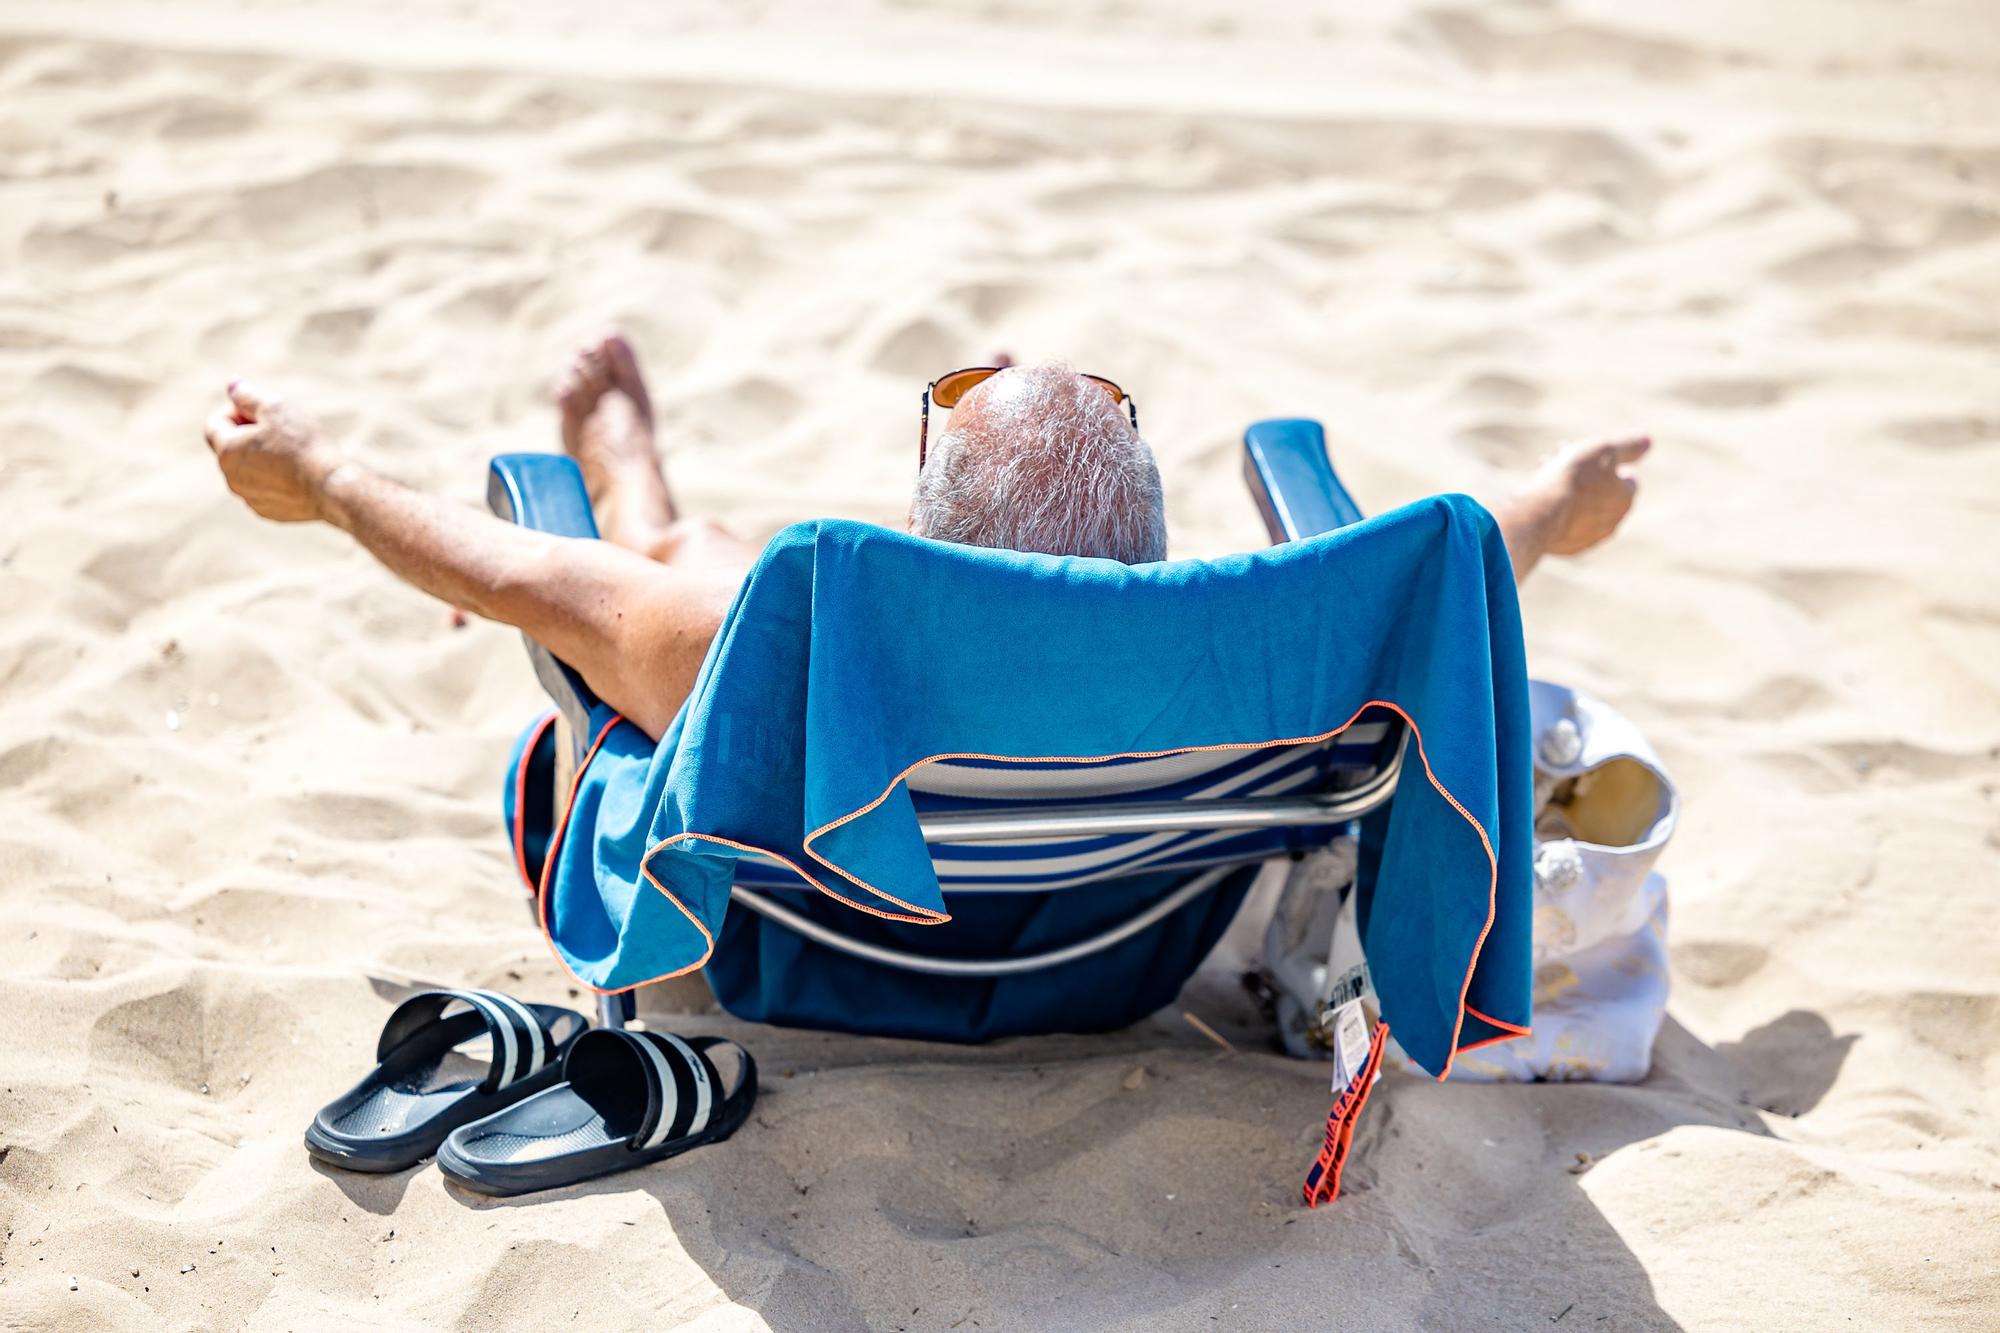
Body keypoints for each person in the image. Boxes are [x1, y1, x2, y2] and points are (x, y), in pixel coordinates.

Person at [200, 335, 1648, 740]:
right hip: (1118, 963)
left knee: (655, 580)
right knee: (676, 550)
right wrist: (1562, 503)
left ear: (922, 528)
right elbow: (1464, 546)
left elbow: (507, 566)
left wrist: (319, 474)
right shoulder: (1277, 639)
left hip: (819, 957)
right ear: (1146, 530)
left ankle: (643, 500)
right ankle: (653, 499)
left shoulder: (777, 633)